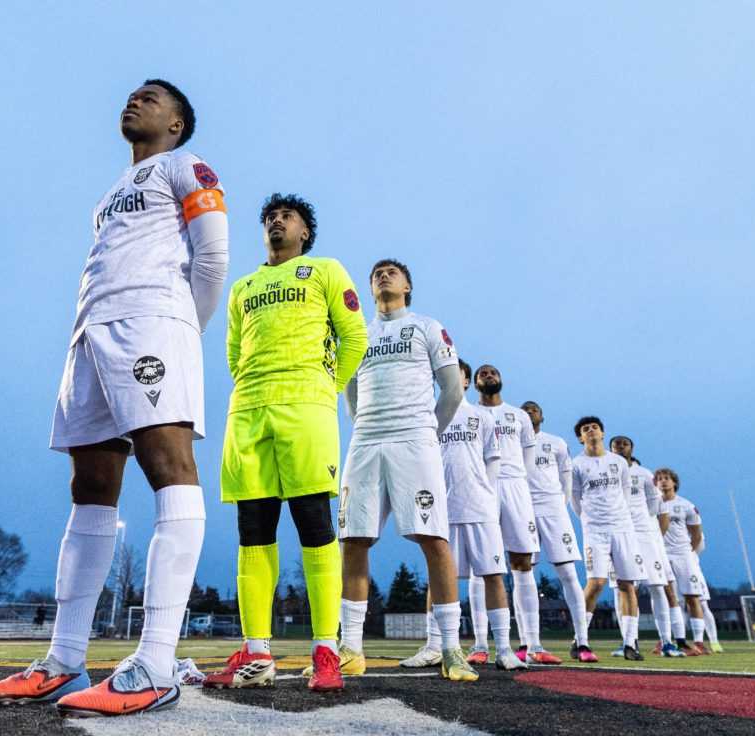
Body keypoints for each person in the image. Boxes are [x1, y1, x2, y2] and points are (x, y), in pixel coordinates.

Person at [0, 79, 229, 717]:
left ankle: (157, 662)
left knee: (168, 466)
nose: (134, 101)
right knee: (90, 484)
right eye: (133, 95)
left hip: (154, 323)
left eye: (152, 97)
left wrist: (180, 328)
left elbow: (213, 257)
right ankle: (63, 660)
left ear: (176, 123)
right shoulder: (108, 195)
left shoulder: (183, 165)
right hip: (91, 332)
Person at [204, 193, 367, 693]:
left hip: (307, 410)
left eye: (287, 216)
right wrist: (255, 389)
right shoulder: (243, 287)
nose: (276, 221)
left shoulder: (324, 270)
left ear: (305, 233)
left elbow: (354, 337)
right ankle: (257, 654)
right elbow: (234, 352)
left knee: (315, 523)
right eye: (270, 217)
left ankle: (326, 651)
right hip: (248, 412)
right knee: (252, 529)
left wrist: (324, 388)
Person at [336, 259, 479, 682]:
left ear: (408, 285)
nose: (382, 276)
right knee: (353, 539)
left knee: (433, 537)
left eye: (391, 273)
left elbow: (452, 388)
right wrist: (363, 424)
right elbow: (350, 389)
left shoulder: (426, 326)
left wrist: (427, 432)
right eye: (376, 273)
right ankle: (352, 648)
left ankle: (451, 648)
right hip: (366, 442)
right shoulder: (357, 333)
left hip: (414, 439)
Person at [401, 360, 525, 671]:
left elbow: (492, 461)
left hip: (480, 509)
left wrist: (487, 495)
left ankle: (505, 649)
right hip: (442, 511)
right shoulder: (427, 416)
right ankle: (434, 646)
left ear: (466, 382)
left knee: (493, 576)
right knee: (439, 576)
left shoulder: (481, 416)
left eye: (456, 374)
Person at [471, 367, 555, 665]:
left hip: (516, 488)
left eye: (493, 373)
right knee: (481, 563)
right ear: (475, 383)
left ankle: (533, 644)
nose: (489, 376)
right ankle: (480, 644)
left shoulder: (518, 416)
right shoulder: (472, 414)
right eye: (483, 374)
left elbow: (529, 456)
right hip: (482, 489)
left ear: (500, 379)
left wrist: (518, 482)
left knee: (522, 563)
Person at [506, 401, 589, 661]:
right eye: (525, 410)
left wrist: (559, 504)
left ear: (542, 415)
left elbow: (567, 479)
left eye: (534, 409)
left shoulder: (556, 442)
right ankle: (527, 642)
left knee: (567, 572)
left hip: (554, 512)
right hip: (523, 511)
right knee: (522, 572)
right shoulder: (512, 442)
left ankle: (583, 642)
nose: (530, 412)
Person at [570, 417, 646, 662]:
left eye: (594, 428)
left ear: (602, 433)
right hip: (595, 530)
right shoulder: (577, 465)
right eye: (585, 429)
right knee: (596, 583)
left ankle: (630, 642)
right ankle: (580, 640)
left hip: (623, 529)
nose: (590, 431)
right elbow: (575, 501)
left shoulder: (618, 462)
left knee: (627, 584)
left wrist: (616, 517)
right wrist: (592, 520)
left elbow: (624, 493)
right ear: (581, 437)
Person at [607, 438, 686, 659]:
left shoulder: (643, 473)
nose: (620, 447)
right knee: (621, 588)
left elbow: (656, 508)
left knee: (657, 586)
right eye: (616, 444)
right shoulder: (607, 469)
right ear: (611, 448)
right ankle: (628, 642)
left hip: (643, 535)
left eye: (625, 444)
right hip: (619, 534)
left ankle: (667, 643)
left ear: (631, 448)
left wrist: (647, 530)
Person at [655, 466, 708, 656]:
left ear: (674, 482)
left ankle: (699, 642)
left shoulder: (686, 505)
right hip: (662, 555)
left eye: (667, 478)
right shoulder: (652, 504)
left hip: (684, 555)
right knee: (668, 597)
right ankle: (670, 640)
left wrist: (688, 552)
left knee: (692, 597)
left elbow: (696, 535)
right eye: (659, 478)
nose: (663, 481)